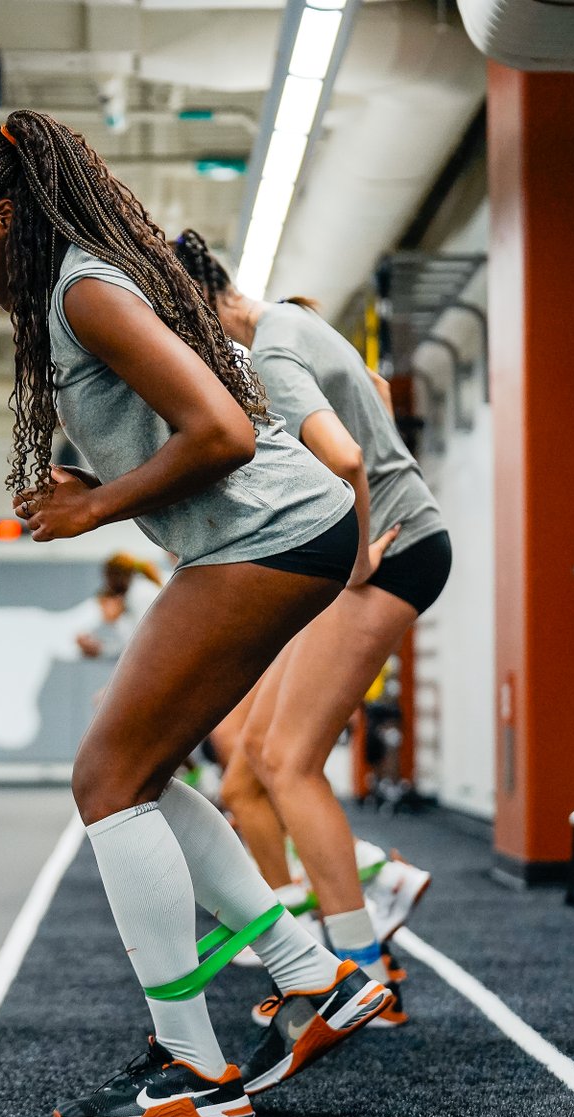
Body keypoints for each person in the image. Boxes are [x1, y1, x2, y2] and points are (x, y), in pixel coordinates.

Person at [0, 109, 393, 1117]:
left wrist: (92, 507)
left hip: (270, 531)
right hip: (276, 533)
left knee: (106, 777)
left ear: (6, 217)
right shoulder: (80, 289)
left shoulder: (85, 289)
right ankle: (312, 975)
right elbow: (162, 420)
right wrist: (78, 473)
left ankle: (193, 1063)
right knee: (128, 768)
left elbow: (223, 430)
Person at [171, 229, 450, 1020]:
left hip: (392, 558)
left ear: (200, 306)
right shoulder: (294, 326)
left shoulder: (273, 355)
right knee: (247, 772)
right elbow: (375, 395)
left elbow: (349, 459)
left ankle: (362, 969)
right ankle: (328, 937)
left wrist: (359, 555)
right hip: (394, 544)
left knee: (289, 764)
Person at [75, 553, 162, 660]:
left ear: (117, 576)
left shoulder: (140, 594)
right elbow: (132, 646)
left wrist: (116, 621)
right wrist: (99, 649)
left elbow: (139, 645)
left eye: (108, 579)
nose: (108, 585)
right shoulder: (136, 592)